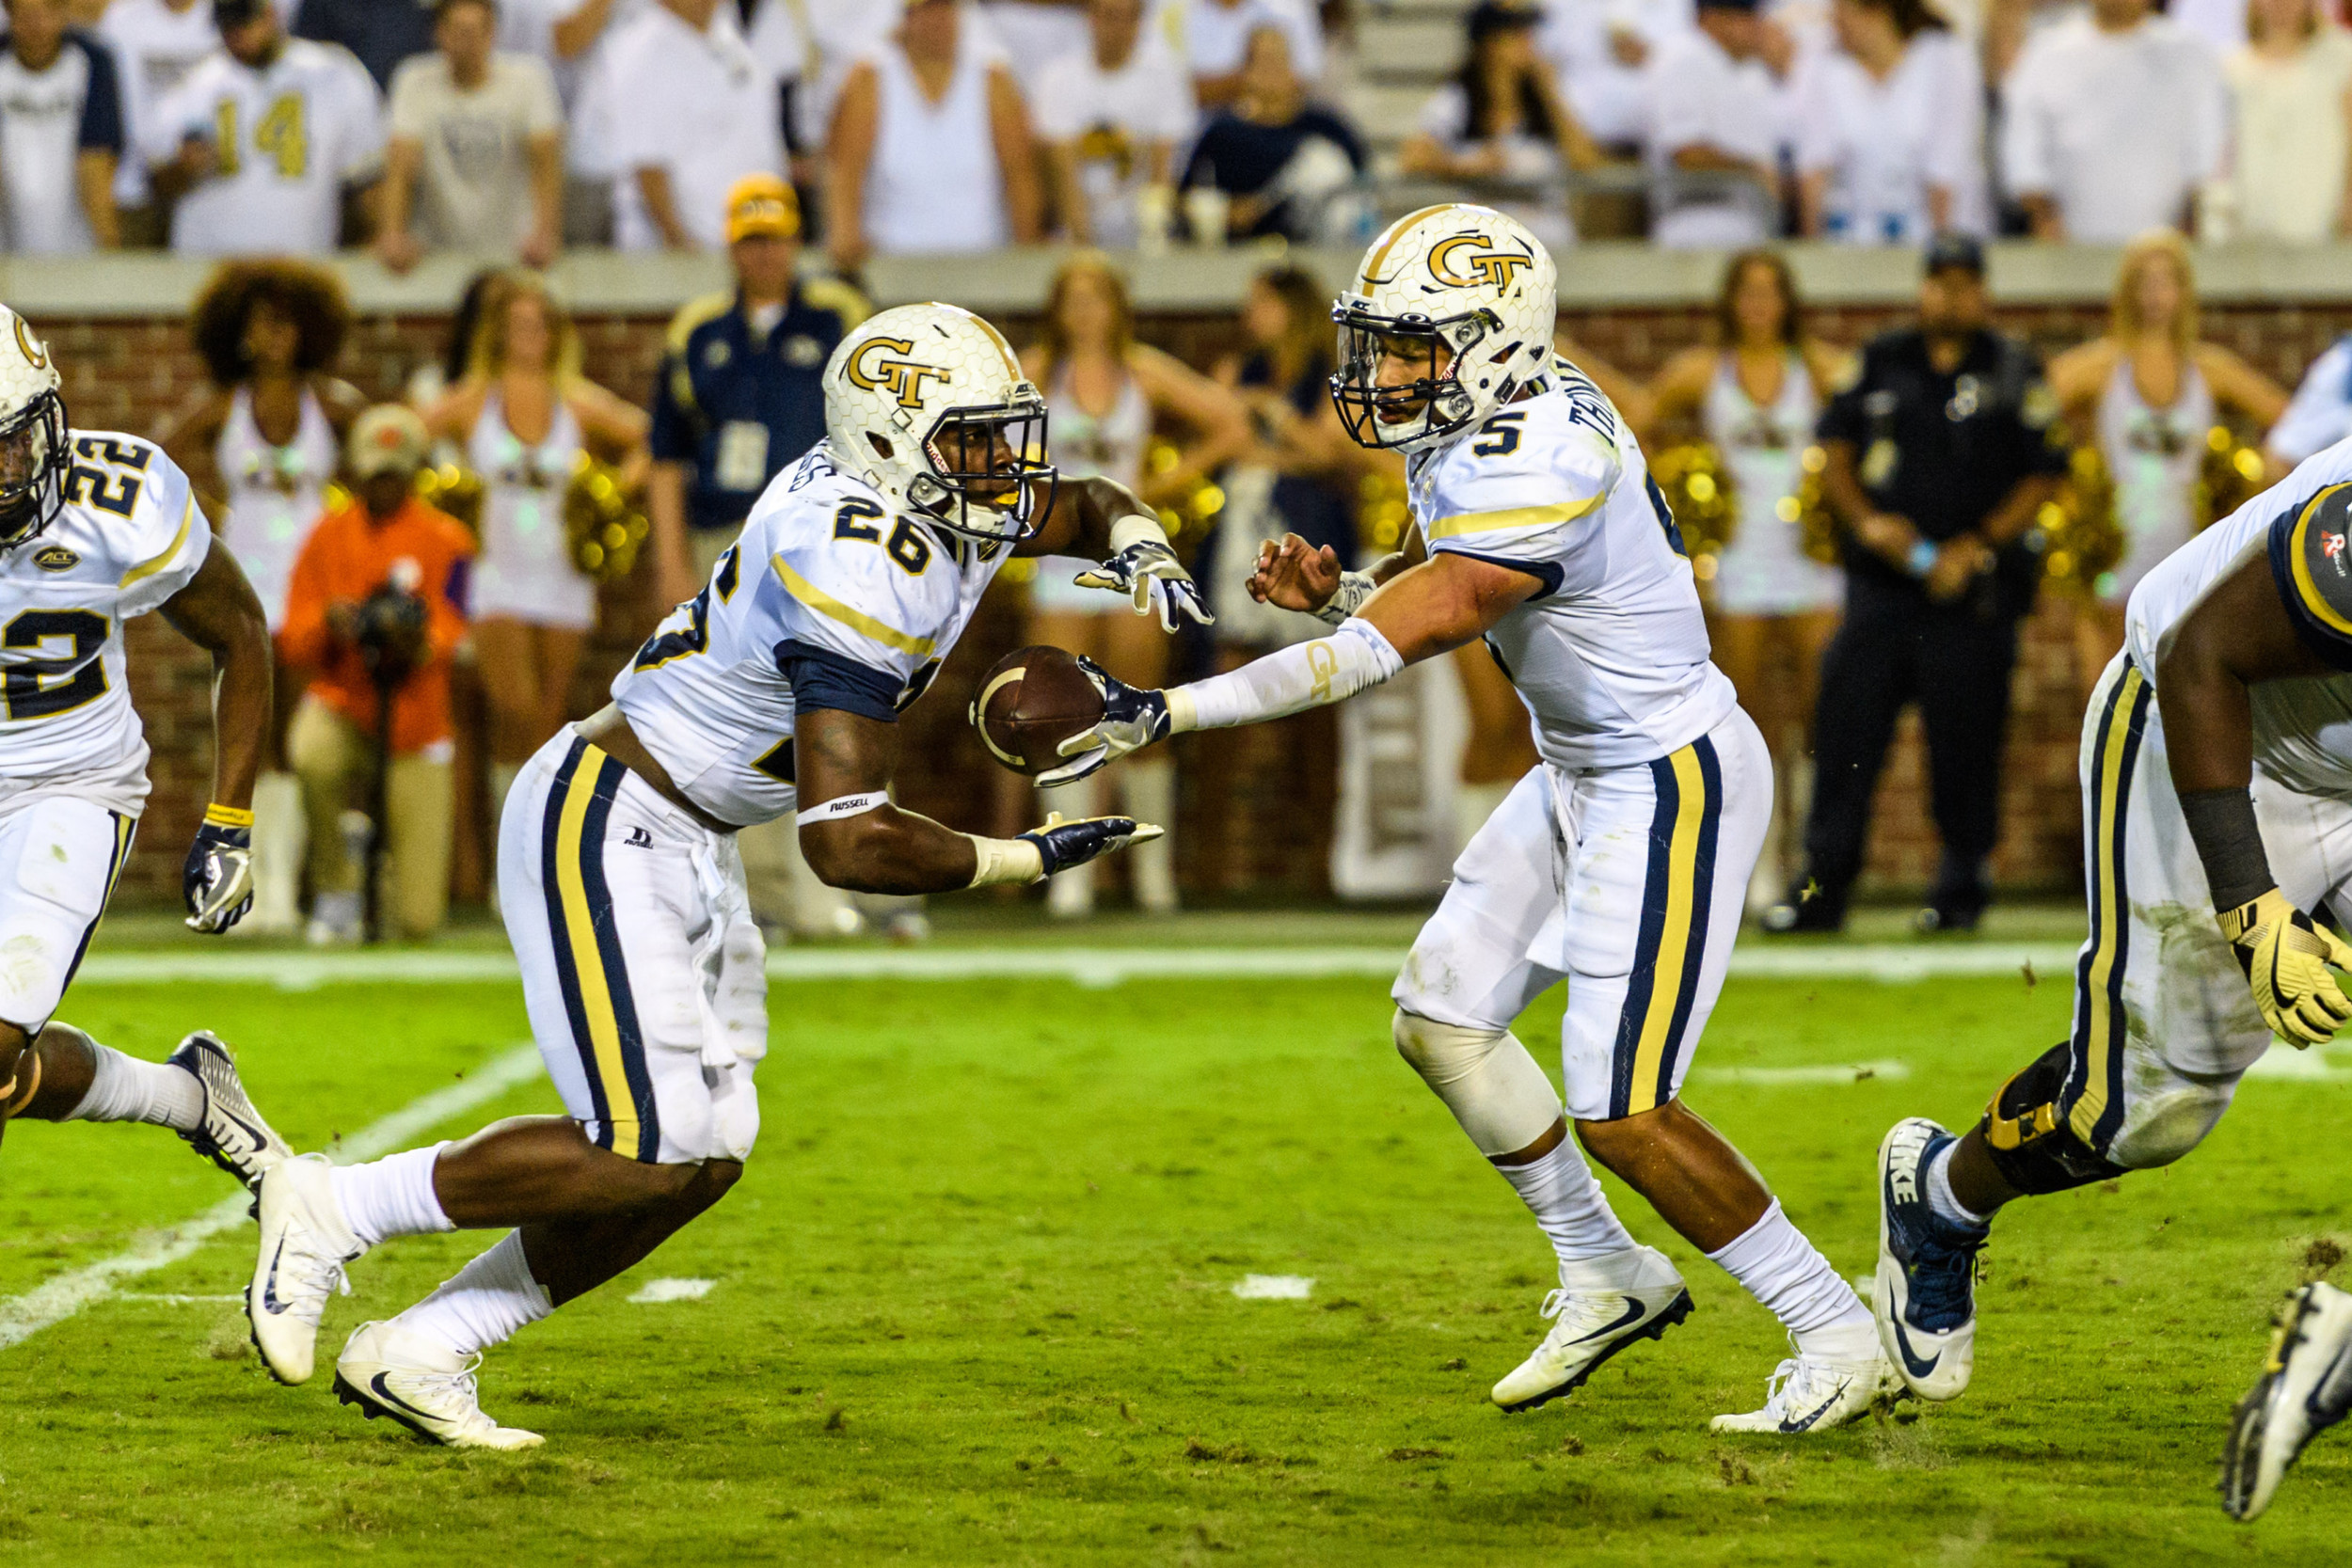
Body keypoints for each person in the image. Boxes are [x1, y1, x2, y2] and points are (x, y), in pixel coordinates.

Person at [242, 303, 1197, 1448]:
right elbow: (843, 838)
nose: (1003, 467)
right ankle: (336, 1203)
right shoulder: (853, 556)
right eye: (973, 441)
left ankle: (426, 1345)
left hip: (689, 833)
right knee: (643, 1143)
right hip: (609, 814)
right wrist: (1018, 855)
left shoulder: (932, 489)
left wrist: (1136, 535)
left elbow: (1081, 501)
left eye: (1003, 436)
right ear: (892, 443)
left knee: (704, 1152)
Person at [1055, 204, 1899, 1434]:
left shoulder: (1539, 454)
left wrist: (1161, 710)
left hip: (1667, 779)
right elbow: (1431, 578)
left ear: (1491, 344)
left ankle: (1835, 1325)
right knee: (1442, 1015)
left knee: (1622, 1105)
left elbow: (1403, 638)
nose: (1383, 372)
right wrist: (1347, 589)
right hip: (1582, 769)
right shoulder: (1480, 416)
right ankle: (1607, 1271)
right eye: (1382, 343)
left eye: (1409, 346)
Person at [1863, 406, 2352, 1522]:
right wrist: (2254, 911)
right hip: (2218, 731)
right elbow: (2202, 657)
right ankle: (1939, 1198)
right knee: (2142, 1114)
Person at [0, 300, 295, 1219]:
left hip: (71, 782)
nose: (5, 469)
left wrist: (231, 817)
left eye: (12, 441)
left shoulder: (119, 501)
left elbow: (241, 633)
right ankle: (190, 1096)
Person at [1766, 236, 2069, 936]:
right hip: (1882, 588)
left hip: (1971, 593)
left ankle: (1961, 890)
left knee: (1966, 743)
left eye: (1964, 283)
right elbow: (1833, 450)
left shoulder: (2014, 368)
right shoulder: (1877, 360)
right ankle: (1822, 886)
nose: (1950, 296)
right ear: (1922, 287)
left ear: (1982, 292)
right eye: (1940, 281)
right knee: (1845, 737)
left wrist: (1980, 544)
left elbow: (2044, 471)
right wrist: (1870, 524)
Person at [645, 176, 865, 936]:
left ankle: (839, 882)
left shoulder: (840, 316)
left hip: (817, 536)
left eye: (774, 238)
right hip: (726, 537)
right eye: (750, 240)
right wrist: (671, 559)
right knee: (742, 715)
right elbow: (666, 455)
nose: (763, 253)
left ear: (794, 242)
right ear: (733, 247)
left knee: (838, 700)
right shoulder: (697, 330)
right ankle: (765, 894)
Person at [1020, 253, 1248, 917]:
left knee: (1141, 713)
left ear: (1119, 304)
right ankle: (1071, 871)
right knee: (1057, 715)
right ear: (1057, 306)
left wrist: (1156, 487)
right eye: (1074, 297)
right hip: (1061, 558)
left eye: (1098, 296)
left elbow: (1228, 424)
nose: (1086, 310)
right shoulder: (1036, 371)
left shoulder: (1141, 370)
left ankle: (1151, 871)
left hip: (1128, 556)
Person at [1628, 251, 1848, 912]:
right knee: (1744, 716)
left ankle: (1811, 864)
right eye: (1745, 292)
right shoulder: (1704, 371)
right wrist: (1680, 502)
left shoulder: (1821, 368)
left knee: (1818, 716)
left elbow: (1873, 419)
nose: (1757, 305)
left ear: (1788, 299)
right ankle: (1753, 869)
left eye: (1769, 291)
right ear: (1730, 301)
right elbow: (1634, 423)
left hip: (1810, 561)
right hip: (1737, 563)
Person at [159, 261, 366, 937]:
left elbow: (378, 449)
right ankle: (264, 889)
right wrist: (211, 510)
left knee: (299, 736)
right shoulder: (226, 405)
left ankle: (295, 888)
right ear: (240, 333)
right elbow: (166, 456)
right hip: (245, 585)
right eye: (261, 322)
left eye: (285, 322)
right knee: (255, 740)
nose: (274, 336)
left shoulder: (330, 403)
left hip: (310, 586)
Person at [419, 272, 647, 852]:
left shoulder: (575, 398)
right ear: (496, 334)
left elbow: (647, 437)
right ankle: (511, 846)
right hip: (495, 574)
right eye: (517, 325)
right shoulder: (476, 396)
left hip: (562, 574)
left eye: (539, 324)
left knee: (547, 715)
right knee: (512, 707)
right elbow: (406, 430)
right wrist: (439, 497)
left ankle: (540, 851)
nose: (529, 335)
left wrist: (612, 493)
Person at [2044, 231, 2285, 692]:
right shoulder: (2100, 367)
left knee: (2181, 708)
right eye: (2143, 283)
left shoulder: (2208, 368)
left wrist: (2255, 476)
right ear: (2126, 292)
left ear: (2183, 291)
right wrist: (2064, 478)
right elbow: (2028, 410)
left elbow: (2292, 424)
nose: (2154, 295)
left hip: (2190, 565)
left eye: (2165, 282)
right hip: (2113, 566)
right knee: (2106, 709)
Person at [279, 405, 475, 945]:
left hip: (417, 720)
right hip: (345, 698)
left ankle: (381, 872)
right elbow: (294, 634)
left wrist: (415, 640)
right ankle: (337, 885)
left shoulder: (450, 540)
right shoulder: (326, 536)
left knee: (418, 920)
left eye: (395, 472)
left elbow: (455, 625)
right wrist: (331, 621)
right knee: (310, 750)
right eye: (375, 473)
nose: (383, 484)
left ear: (413, 473)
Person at [144, 0, 387, 257]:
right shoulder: (195, 86)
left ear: (271, 14)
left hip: (303, 262)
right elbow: (154, 183)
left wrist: (375, 238)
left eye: (243, 22)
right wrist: (183, 169)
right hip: (210, 264)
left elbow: (367, 177)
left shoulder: (334, 74)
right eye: (227, 25)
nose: (236, 33)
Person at [824, 0, 1043, 269]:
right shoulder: (871, 79)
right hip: (892, 266)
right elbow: (846, 172)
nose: (939, 21)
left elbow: (1020, 174)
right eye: (929, 11)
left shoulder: (992, 80)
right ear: (907, 17)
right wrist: (845, 234)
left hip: (982, 264)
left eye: (946, 10)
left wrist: (1026, 256)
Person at [2000, 0, 2227, 244]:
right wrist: (2044, 220)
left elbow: (2208, 156)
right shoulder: (2046, 53)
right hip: (2067, 250)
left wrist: (2188, 229)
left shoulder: (2191, 53)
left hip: (2164, 252)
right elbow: (2024, 157)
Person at [1399, 0, 1601, 255]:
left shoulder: (1547, 101)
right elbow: (1412, 158)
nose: (1528, 41)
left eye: (1529, 32)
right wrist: (1465, 165)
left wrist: (1549, 89)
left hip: (1547, 234)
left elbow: (1587, 162)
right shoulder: (1460, 99)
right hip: (1481, 237)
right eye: (1515, 32)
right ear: (1488, 42)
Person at [376, 0, 564, 273]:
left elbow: (546, 160)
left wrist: (546, 232)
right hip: (436, 250)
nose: (468, 43)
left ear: (493, 33)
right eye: (459, 32)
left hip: (515, 250)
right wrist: (392, 233)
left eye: (476, 32)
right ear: (439, 33)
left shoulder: (528, 78)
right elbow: (401, 162)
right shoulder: (414, 80)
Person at [597, 0, 785, 252]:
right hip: (686, 255)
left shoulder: (730, 39)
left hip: (754, 244)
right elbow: (646, 165)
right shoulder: (639, 51)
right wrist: (680, 240)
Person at [1793, 0, 1982, 245]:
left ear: (1877, 11)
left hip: (1929, 233)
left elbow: (1945, 163)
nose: (1835, 24)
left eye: (1843, 13)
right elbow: (1814, 166)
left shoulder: (1942, 56)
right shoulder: (1824, 66)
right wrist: (1813, 251)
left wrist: (1941, 251)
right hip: (1852, 239)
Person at [1177, 24, 1366, 244]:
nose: (1272, 72)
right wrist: (1226, 212)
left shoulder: (1328, 128)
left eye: (1280, 61)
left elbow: (1361, 185)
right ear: (1245, 72)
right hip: (1238, 254)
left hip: (1318, 249)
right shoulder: (1223, 136)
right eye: (1264, 62)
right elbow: (1184, 200)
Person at [1032, 0, 1195, 249]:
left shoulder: (1166, 78)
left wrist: (1152, 241)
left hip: (1143, 235)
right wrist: (1084, 250)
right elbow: (1063, 173)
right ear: (1091, 18)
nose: (1120, 27)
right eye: (1111, 16)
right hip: (1077, 236)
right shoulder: (1058, 78)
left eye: (1130, 17)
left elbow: (1163, 172)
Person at [1644, 0, 1785, 248]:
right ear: (1713, 18)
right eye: (1747, 17)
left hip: (1747, 220)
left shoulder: (1746, 69)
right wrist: (1754, 171)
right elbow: (1688, 155)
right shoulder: (1683, 57)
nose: (1758, 26)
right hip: (1696, 223)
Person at [2221, 0, 2352, 245]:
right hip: (2250, 230)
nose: (2281, 4)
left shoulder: (2340, 58)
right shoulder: (2231, 67)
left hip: (2319, 228)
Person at [0, 0, 123, 253]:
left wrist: (108, 246)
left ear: (63, 14)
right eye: (25, 16)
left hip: (77, 243)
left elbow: (96, 161)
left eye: (45, 14)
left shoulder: (92, 62)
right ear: (9, 16)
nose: (35, 26)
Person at [98, 0, 217, 242]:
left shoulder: (222, 15)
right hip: (134, 187)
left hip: (207, 186)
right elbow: (109, 105)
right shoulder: (120, 20)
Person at [1172, 0, 1325, 110]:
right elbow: (1173, 92)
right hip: (1196, 129)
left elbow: (1303, 79)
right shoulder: (1172, 9)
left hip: (1280, 124)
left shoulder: (1290, 6)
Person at [290, 0, 437, 91]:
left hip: (410, 108)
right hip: (339, 109)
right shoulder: (326, 5)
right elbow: (302, 59)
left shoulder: (423, 9)